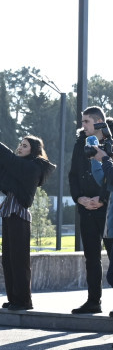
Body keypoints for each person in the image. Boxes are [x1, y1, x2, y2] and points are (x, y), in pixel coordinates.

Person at [0, 128, 55, 310]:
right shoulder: (19, 165)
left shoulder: (33, 167)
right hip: (9, 214)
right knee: (9, 259)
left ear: (33, 150)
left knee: (19, 261)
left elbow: (8, 160)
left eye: (25, 145)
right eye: (20, 144)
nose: (20, 147)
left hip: (19, 216)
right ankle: (14, 298)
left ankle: (23, 301)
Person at [68, 107, 113, 314]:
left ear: (98, 122)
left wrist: (102, 199)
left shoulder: (110, 144)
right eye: (82, 121)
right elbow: (73, 175)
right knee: (91, 257)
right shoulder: (80, 144)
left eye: (86, 121)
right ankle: (93, 301)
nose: (82, 125)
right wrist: (79, 198)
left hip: (107, 210)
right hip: (86, 209)